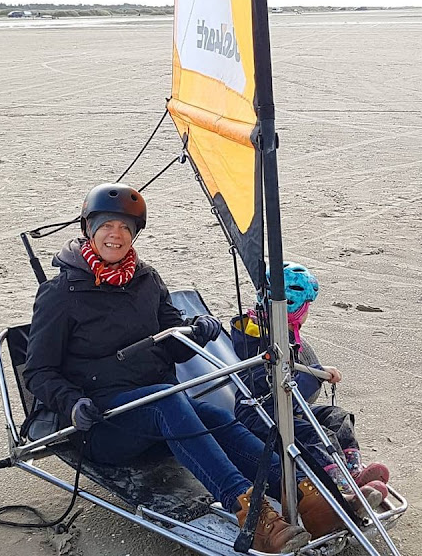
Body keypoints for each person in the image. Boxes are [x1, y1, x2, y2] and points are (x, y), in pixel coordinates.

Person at [24, 183, 344, 552]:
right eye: (107, 226)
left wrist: (199, 327)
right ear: (88, 229)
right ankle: (251, 514)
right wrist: (72, 402)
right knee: (169, 401)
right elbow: (38, 372)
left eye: (126, 228)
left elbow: (172, 340)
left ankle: (308, 495)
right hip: (102, 422)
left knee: (216, 416)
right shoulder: (60, 293)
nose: (116, 235)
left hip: (160, 413)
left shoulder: (146, 279)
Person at [231, 262, 391, 508]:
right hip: (261, 414)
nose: (308, 313)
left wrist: (315, 371)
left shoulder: (285, 333)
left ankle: (353, 470)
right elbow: (286, 387)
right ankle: (339, 486)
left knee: (338, 417)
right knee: (316, 434)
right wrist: (316, 374)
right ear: (294, 309)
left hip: (287, 408)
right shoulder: (259, 340)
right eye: (307, 307)